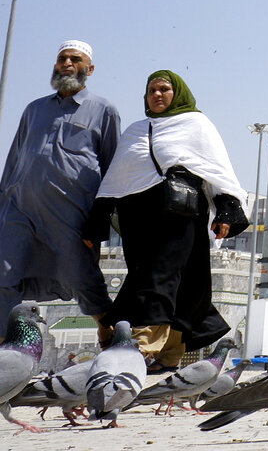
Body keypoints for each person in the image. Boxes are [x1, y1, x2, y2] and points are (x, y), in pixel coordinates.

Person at [84, 70, 249, 373]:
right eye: (151, 90)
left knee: (159, 276)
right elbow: (115, 180)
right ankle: (170, 353)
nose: (157, 95)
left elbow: (215, 170)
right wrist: (96, 223)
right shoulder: (136, 130)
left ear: (178, 94)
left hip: (180, 214)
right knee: (179, 282)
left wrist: (227, 211)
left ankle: (141, 345)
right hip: (138, 219)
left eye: (164, 89)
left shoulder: (196, 124)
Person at [0, 41, 120, 346]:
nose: (66, 63)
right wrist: (2, 203)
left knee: (79, 273)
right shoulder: (34, 109)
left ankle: (106, 324)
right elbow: (15, 157)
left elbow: (112, 168)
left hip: (69, 210)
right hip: (18, 206)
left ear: (89, 69)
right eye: (61, 58)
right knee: (1, 276)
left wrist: (100, 219)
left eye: (74, 59)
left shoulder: (103, 110)